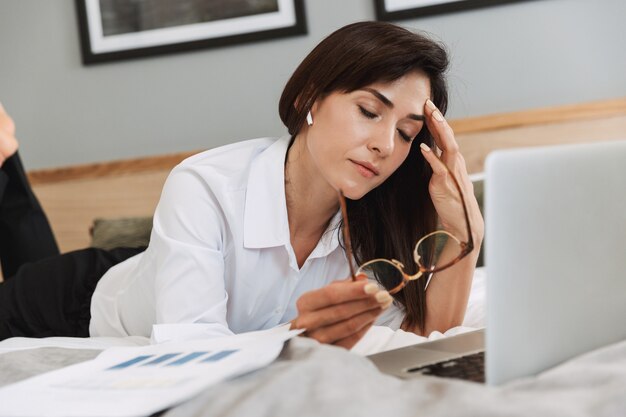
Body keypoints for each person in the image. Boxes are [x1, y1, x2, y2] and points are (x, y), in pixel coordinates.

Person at [0, 21, 484, 349]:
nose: (385, 144)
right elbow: (192, 355)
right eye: (368, 111)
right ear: (310, 98)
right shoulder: (205, 184)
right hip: (74, 301)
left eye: (406, 132)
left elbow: (423, 344)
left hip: (163, 271)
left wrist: (467, 230)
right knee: (27, 276)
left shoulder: (384, 225)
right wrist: (297, 339)